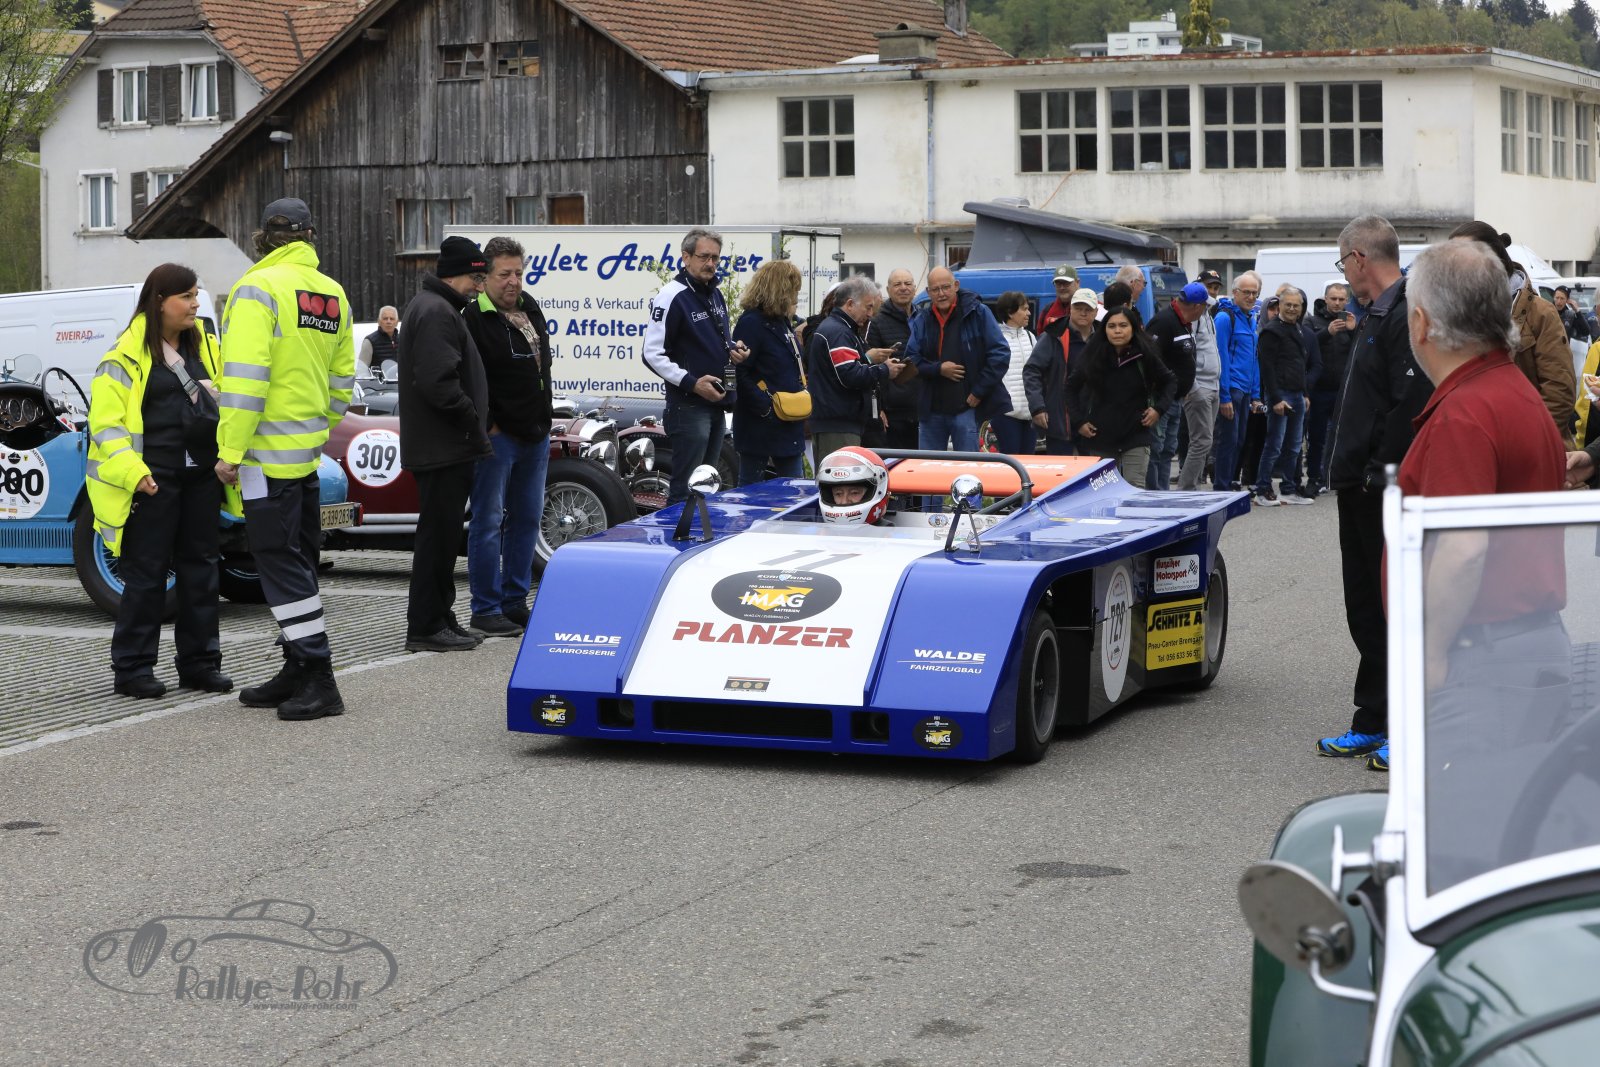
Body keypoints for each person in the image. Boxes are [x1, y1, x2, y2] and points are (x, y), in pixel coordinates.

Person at [1396, 238, 1568, 782]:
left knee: (1463, 814)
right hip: (1519, 647)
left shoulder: (1465, 412)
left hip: (1483, 657)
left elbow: (1463, 547)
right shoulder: (1512, 390)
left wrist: (1431, 652)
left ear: (1421, 323)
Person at [215, 198, 354, 721]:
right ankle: (297, 667)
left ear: (262, 239)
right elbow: (342, 383)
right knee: (299, 563)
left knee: (280, 567)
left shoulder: (257, 289)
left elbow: (245, 381)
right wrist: (315, 431)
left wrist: (229, 452)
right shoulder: (332, 293)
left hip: (263, 462)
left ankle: (319, 677)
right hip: (305, 458)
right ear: (310, 236)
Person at [1318, 215, 1434, 767]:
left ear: (1359, 258)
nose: (1344, 273)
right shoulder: (1375, 314)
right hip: (1358, 486)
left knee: (1391, 609)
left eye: (1343, 261)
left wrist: (1376, 471)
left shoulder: (1404, 312)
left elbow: (1406, 406)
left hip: (1379, 488)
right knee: (1365, 607)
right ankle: (1372, 718)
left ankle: (1402, 726)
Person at [88, 263, 230, 699]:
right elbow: (105, 426)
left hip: (201, 476)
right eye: (186, 296)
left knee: (202, 570)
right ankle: (132, 669)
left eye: (196, 294)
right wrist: (137, 474)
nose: (195, 303)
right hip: (152, 480)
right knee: (147, 576)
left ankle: (200, 665)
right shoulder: (123, 356)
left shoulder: (206, 346)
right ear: (159, 301)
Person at [397, 235, 492, 654]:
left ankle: (439, 616)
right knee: (438, 539)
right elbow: (439, 383)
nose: (479, 287)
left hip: (444, 445)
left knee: (442, 536)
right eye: (477, 278)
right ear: (459, 274)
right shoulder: (436, 311)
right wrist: (472, 419)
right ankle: (426, 625)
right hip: (443, 446)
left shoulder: (437, 307)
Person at [462, 236, 552, 637]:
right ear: (485, 277)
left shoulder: (530, 307)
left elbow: (541, 368)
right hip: (498, 438)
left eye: (518, 272)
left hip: (535, 433)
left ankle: (515, 603)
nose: (513, 281)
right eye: (504, 274)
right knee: (488, 522)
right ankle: (485, 608)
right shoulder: (474, 316)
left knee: (528, 519)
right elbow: (468, 376)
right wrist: (488, 423)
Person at [642, 227, 748, 503]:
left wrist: (734, 349)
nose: (711, 263)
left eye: (715, 258)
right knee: (686, 488)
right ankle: (679, 531)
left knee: (706, 485)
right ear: (686, 257)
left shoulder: (714, 293)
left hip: (716, 403)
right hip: (689, 407)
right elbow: (651, 353)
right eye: (704, 257)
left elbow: (717, 340)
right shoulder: (672, 295)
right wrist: (692, 383)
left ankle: (700, 531)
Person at [1449, 222, 1577, 448]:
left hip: (1531, 448)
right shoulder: (1457, 312)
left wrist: (1518, 444)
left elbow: (1559, 394)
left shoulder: (1541, 313)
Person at [1066, 305, 1175, 482]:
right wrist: (1079, 421)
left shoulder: (1145, 355)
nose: (1117, 331)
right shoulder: (1093, 355)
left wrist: (1158, 409)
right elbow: (1070, 388)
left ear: (1133, 328)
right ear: (1104, 330)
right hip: (1100, 437)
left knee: (1134, 488)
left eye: (1123, 325)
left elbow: (1170, 382)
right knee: (1105, 491)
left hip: (1136, 435)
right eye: (1112, 326)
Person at [906, 268, 1009, 454]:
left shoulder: (978, 313)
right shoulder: (922, 320)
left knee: (968, 466)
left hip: (967, 408)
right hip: (931, 411)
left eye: (945, 287)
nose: (941, 293)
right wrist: (938, 369)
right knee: (928, 467)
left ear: (956, 286)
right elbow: (911, 359)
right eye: (935, 289)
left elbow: (1000, 353)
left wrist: (979, 391)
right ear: (928, 292)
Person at [732, 259, 808, 484]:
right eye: (793, 290)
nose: (796, 297)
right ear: (779, 290)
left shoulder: (781, 322)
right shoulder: (751, 323)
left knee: (792, 490)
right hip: (760, 424)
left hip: (788, 420)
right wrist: (766, 408)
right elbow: (739, 372)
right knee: (751, 490)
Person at [806, 275, 899, 458]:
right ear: (849, 304)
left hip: (839, 421)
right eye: (868, 307)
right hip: (837, 424)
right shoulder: (838, 331)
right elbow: (850, 374)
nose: (871, 314)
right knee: (840, 473)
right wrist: (884, 369)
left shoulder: (840, 329)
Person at [1252, 286, 1320, 506]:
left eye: (1296, 305)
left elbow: (1300, 364)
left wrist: (1305, 394)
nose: (1292, 309)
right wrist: (1275, 398)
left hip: (1298, 394)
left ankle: (1288, 489)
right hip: (1280, 395)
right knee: (1274, 445)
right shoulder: (1271, 332)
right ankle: (1262, 490)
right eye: (1288, 304)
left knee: (1294, 447)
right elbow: (1267, 368)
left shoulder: (1298, 329)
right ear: (1280, 305)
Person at [1144, 282, 1208, 490]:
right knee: (1156, 449)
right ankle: (1154, 495)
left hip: (1177, 398)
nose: (1205, 310)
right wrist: (1160, 399)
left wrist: (1184, 388)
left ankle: (1164, 495)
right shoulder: (1164, 322)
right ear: (1197, 306)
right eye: (1204, 306)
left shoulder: (1183, 322)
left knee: (1168, 450)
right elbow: (1151, 360)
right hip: (1162, 400)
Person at [1025, 287, 1095, 456]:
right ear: (1070, 308)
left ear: (1096, 312)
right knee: (1062, 470)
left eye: (1088, 309)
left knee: (1095, 472)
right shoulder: (1053, 335)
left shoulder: (1103, 338)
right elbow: (1031, 370)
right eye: (1078, 308)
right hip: (1060, 420)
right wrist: (1037, 407)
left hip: (1093, 421)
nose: (1083, 313)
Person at [1211, 272, 1263, 491]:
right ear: (1235, 293)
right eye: (1246, 292)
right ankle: (1221, 487)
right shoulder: (1225, 318)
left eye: (1254, 293)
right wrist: (1224, 396)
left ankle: (1229, 482)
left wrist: (1256, 395)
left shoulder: (1250, 318)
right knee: (1228, 441)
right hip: (1231, 389)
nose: (1251, 297)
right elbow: (1220, 358)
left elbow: (1253, 359)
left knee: (1239, 440)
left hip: (1245, 390)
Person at [864, 268, 923, 451]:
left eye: (908, 283)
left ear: (915, 288)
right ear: (888, 290)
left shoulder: (924, 318)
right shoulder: (876, 322)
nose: (903, 288)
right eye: (897, 284)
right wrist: (878, 408)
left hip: (923, 409)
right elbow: (868, 367)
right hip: (893, 413)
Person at [1305, 282, 1354, 498]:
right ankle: (1314, 478)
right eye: (1333, 298)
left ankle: (1337, 477)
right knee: (1316, 438)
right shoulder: (1312, 321)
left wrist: (1353, 331)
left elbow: (1363, 348)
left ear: (1347, 301)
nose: (1337, 303)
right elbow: (1305, 346)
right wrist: (1327, 332)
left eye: (1341, 299)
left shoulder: (1351, 322)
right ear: (1325, 299)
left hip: (1342, 389)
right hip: (1319, 390)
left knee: (1343, 437)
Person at [1180, 278, 1222, 490]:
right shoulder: (1193, 319)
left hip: (1212, 384)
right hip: (1200, 386)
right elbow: (1186, 354)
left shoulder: (1207, 315)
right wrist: (1193, 386)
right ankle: (1185, 489)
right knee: (1201, 441)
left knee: (1205, 441)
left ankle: (1191, 487)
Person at [993, 291, 1038, 455]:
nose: (1029, 313)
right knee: (1011, 461)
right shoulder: (996, 338)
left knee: (1028, 462)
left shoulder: (1030, 336)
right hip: (1006, 414)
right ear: (1010, 312)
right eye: (1024, 309)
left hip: (1030, 413)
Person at [815, 446, 891, 526]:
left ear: (879, 491)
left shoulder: (888, 533)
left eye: (854, 493)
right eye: (838, 494)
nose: (844, 501)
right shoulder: (817, 531)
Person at [1035, 264, 1079, 333]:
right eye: (1058, 284)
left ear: (1077, 283)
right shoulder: (1047, 310)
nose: (1062, 287)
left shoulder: (1090, 308)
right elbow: (1040, 336)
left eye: (1066, 283)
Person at [358, 306, 399, 372]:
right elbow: (361, 370)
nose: (388, 321)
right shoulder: (370, 342)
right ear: (379, 321)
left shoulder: (403, 341)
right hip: (378, 378)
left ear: (396, 322)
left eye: (392, 319)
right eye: (385, 319)